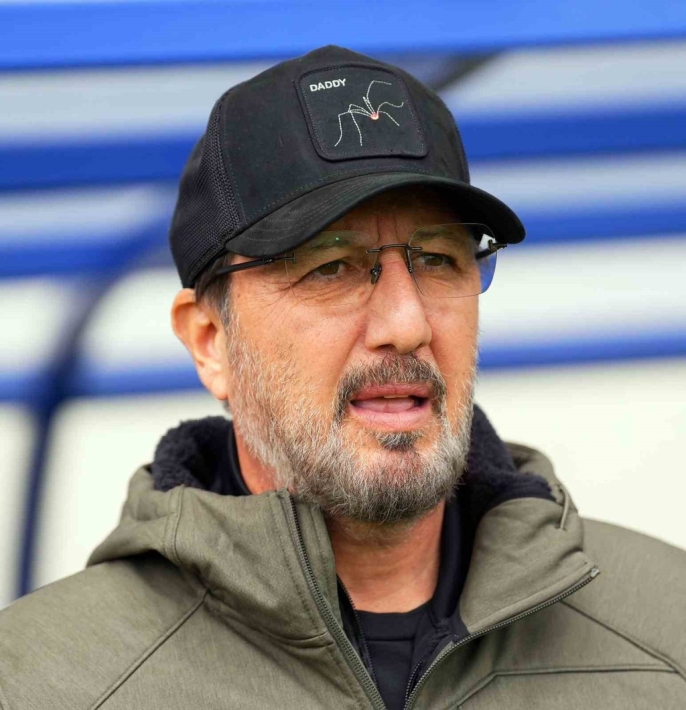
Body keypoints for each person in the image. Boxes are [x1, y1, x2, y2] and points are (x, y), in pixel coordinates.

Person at [0, 45, 684, 710]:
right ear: (211, 342)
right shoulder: (42, 681)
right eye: (331, 266)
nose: (406, 323)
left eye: (439, 259)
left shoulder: (668, 628)